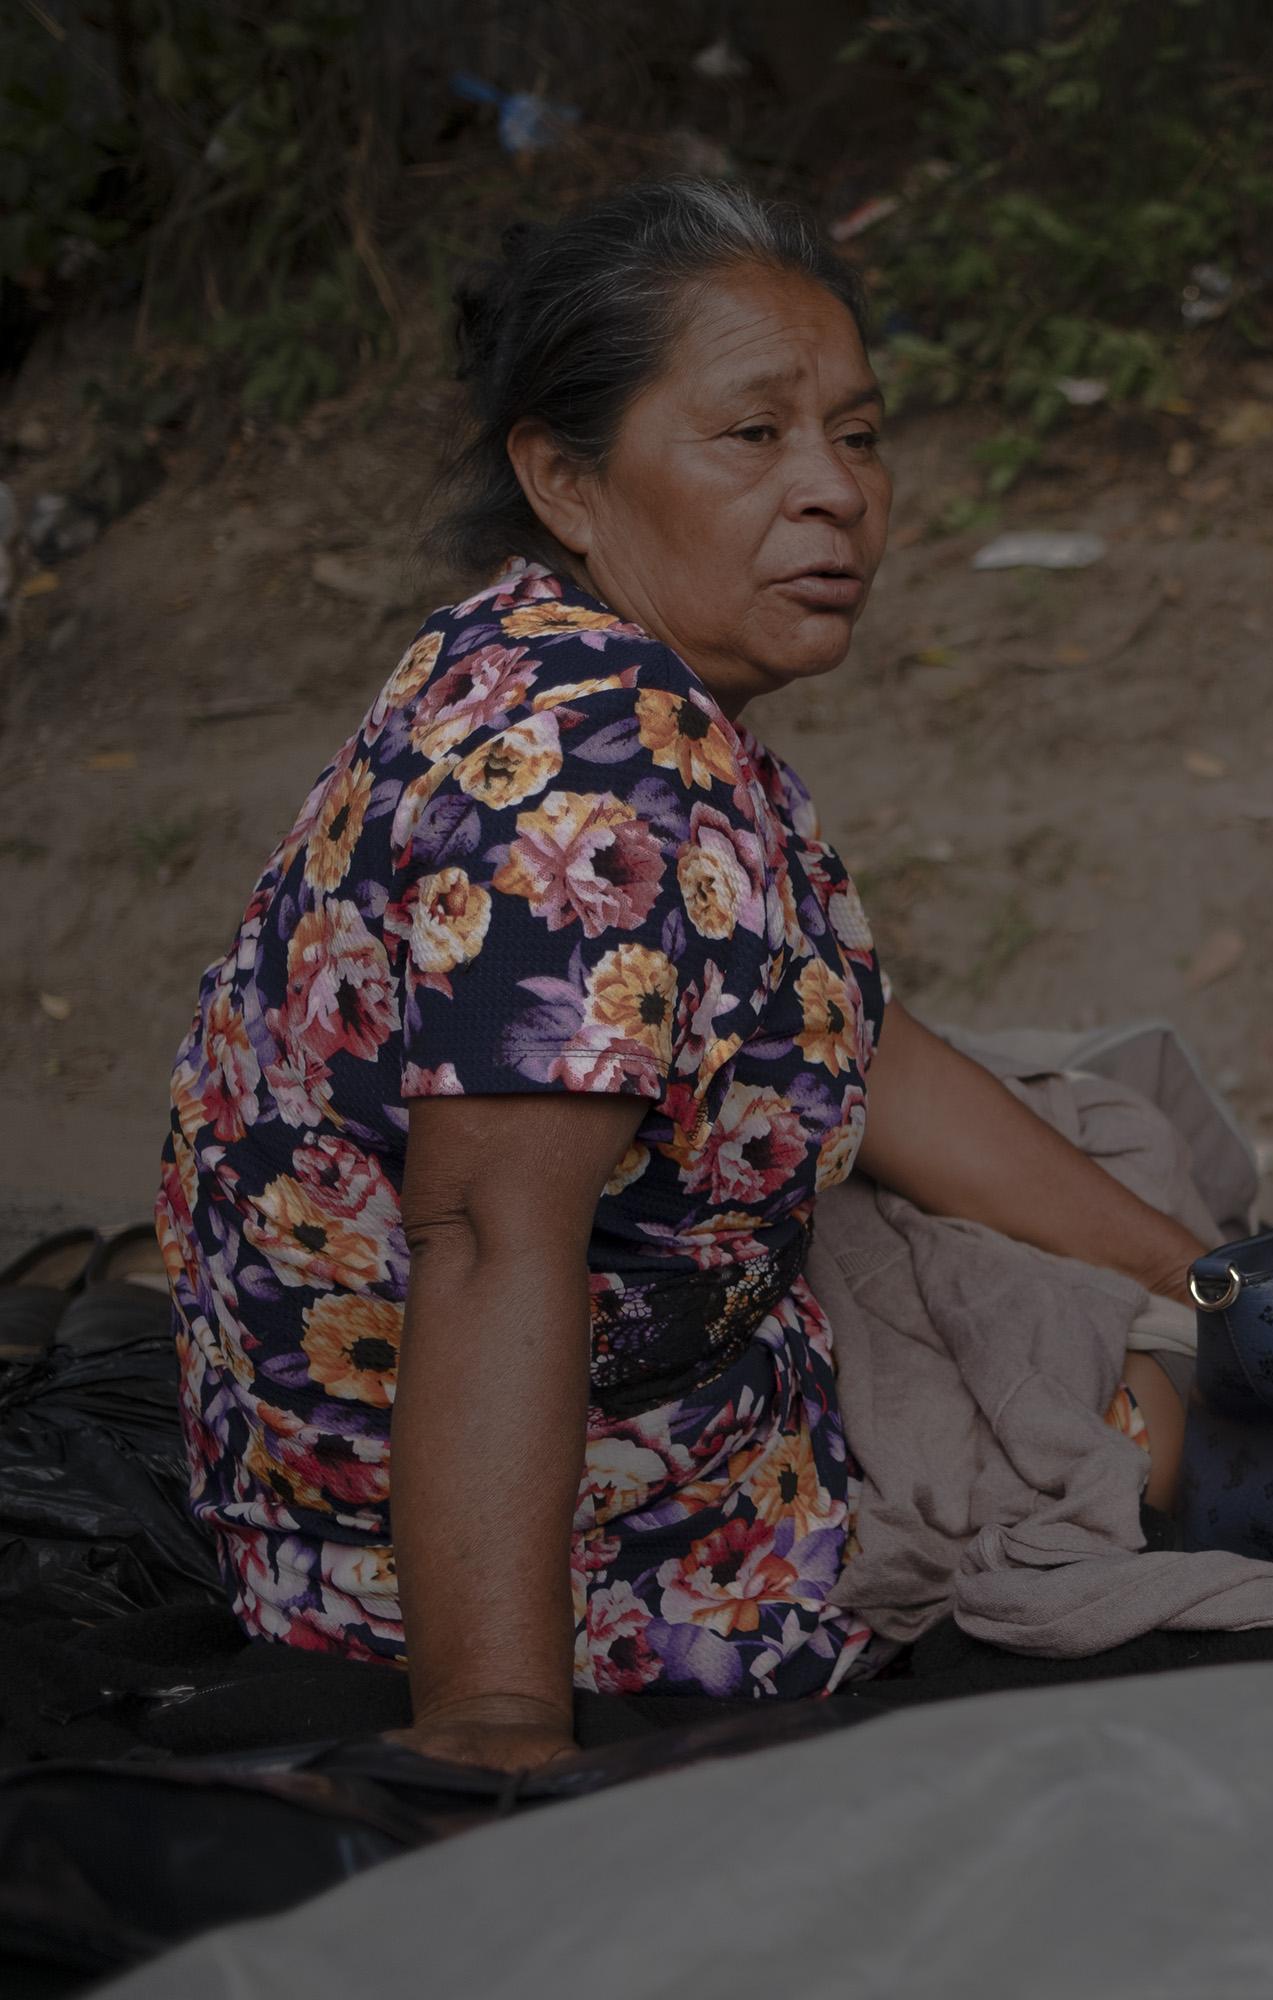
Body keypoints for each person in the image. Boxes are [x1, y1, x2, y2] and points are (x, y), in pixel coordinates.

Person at [158, 181, 1208, 1773]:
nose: (835, 494)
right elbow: (490, 1239)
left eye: (858, 435)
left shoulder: (577, 660)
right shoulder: (573, 788)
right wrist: (498, 1728)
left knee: (1143, 1221)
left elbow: (853, 1043)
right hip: (512, 1546)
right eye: (753, 437)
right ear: (564, 478)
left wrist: (1209, 1276)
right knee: (1159, 1431)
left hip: (626, 1362)